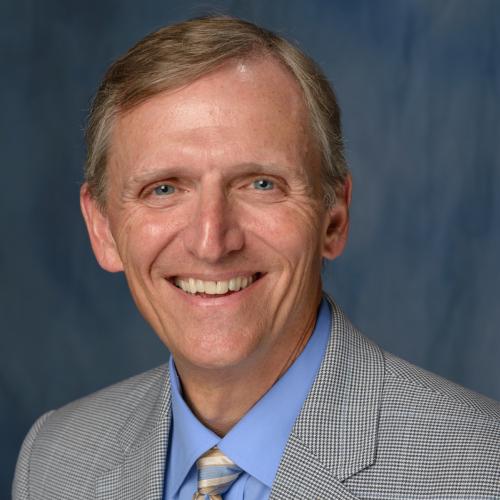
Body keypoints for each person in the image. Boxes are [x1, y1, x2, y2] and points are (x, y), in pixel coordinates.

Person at [13, 15, 500, 500]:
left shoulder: (480, 468)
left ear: (333, 217)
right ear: (102, 228)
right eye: (163, 189)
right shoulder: (53, 461)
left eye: (261, 184)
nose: (211, 242)